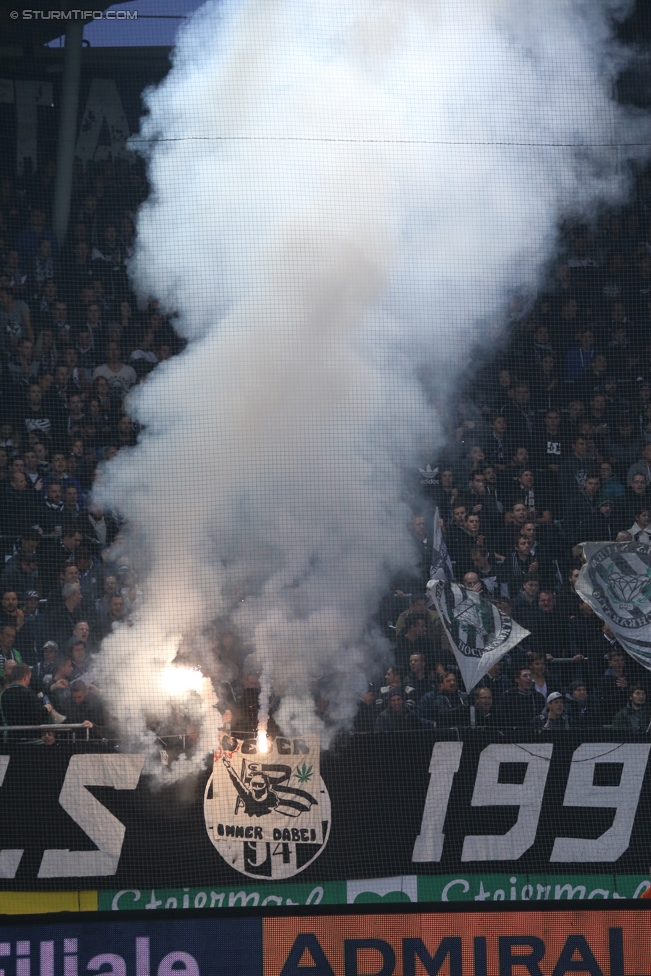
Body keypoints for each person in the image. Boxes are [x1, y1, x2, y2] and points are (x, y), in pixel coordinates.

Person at [0, 662, 52, 738]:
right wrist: (46, 708)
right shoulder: (29, 694)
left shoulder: (3, 694)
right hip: (30, 740)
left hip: (10, 739)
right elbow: (37, 716)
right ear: (25, 677)